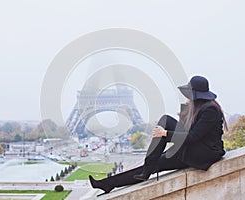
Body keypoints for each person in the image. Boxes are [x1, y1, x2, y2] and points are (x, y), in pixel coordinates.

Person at [89, 75, 227, 196]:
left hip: (204, 153)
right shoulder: (200, 108)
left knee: (156, 162)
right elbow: (186, 130)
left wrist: (165, 133)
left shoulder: (210, 110)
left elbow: (192, 136)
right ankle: (111, 182)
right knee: (165, 122)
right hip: (194, 148)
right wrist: (186, 111)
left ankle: (144, 169)